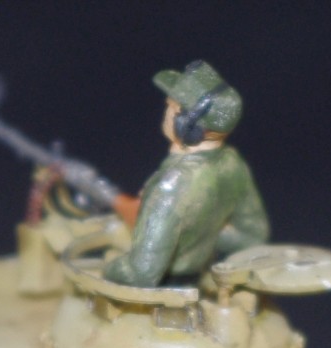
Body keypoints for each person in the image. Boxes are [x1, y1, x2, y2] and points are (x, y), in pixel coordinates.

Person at [102, 61, 270, 289]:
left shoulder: (171, 186)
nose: (165, 111)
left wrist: (106, 268)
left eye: (170, 107)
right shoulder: (233, 163)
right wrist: (204, 234)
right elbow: (253, 235)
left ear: (186, 126)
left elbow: (142, 273)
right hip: (197, 279)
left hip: (164, 290)